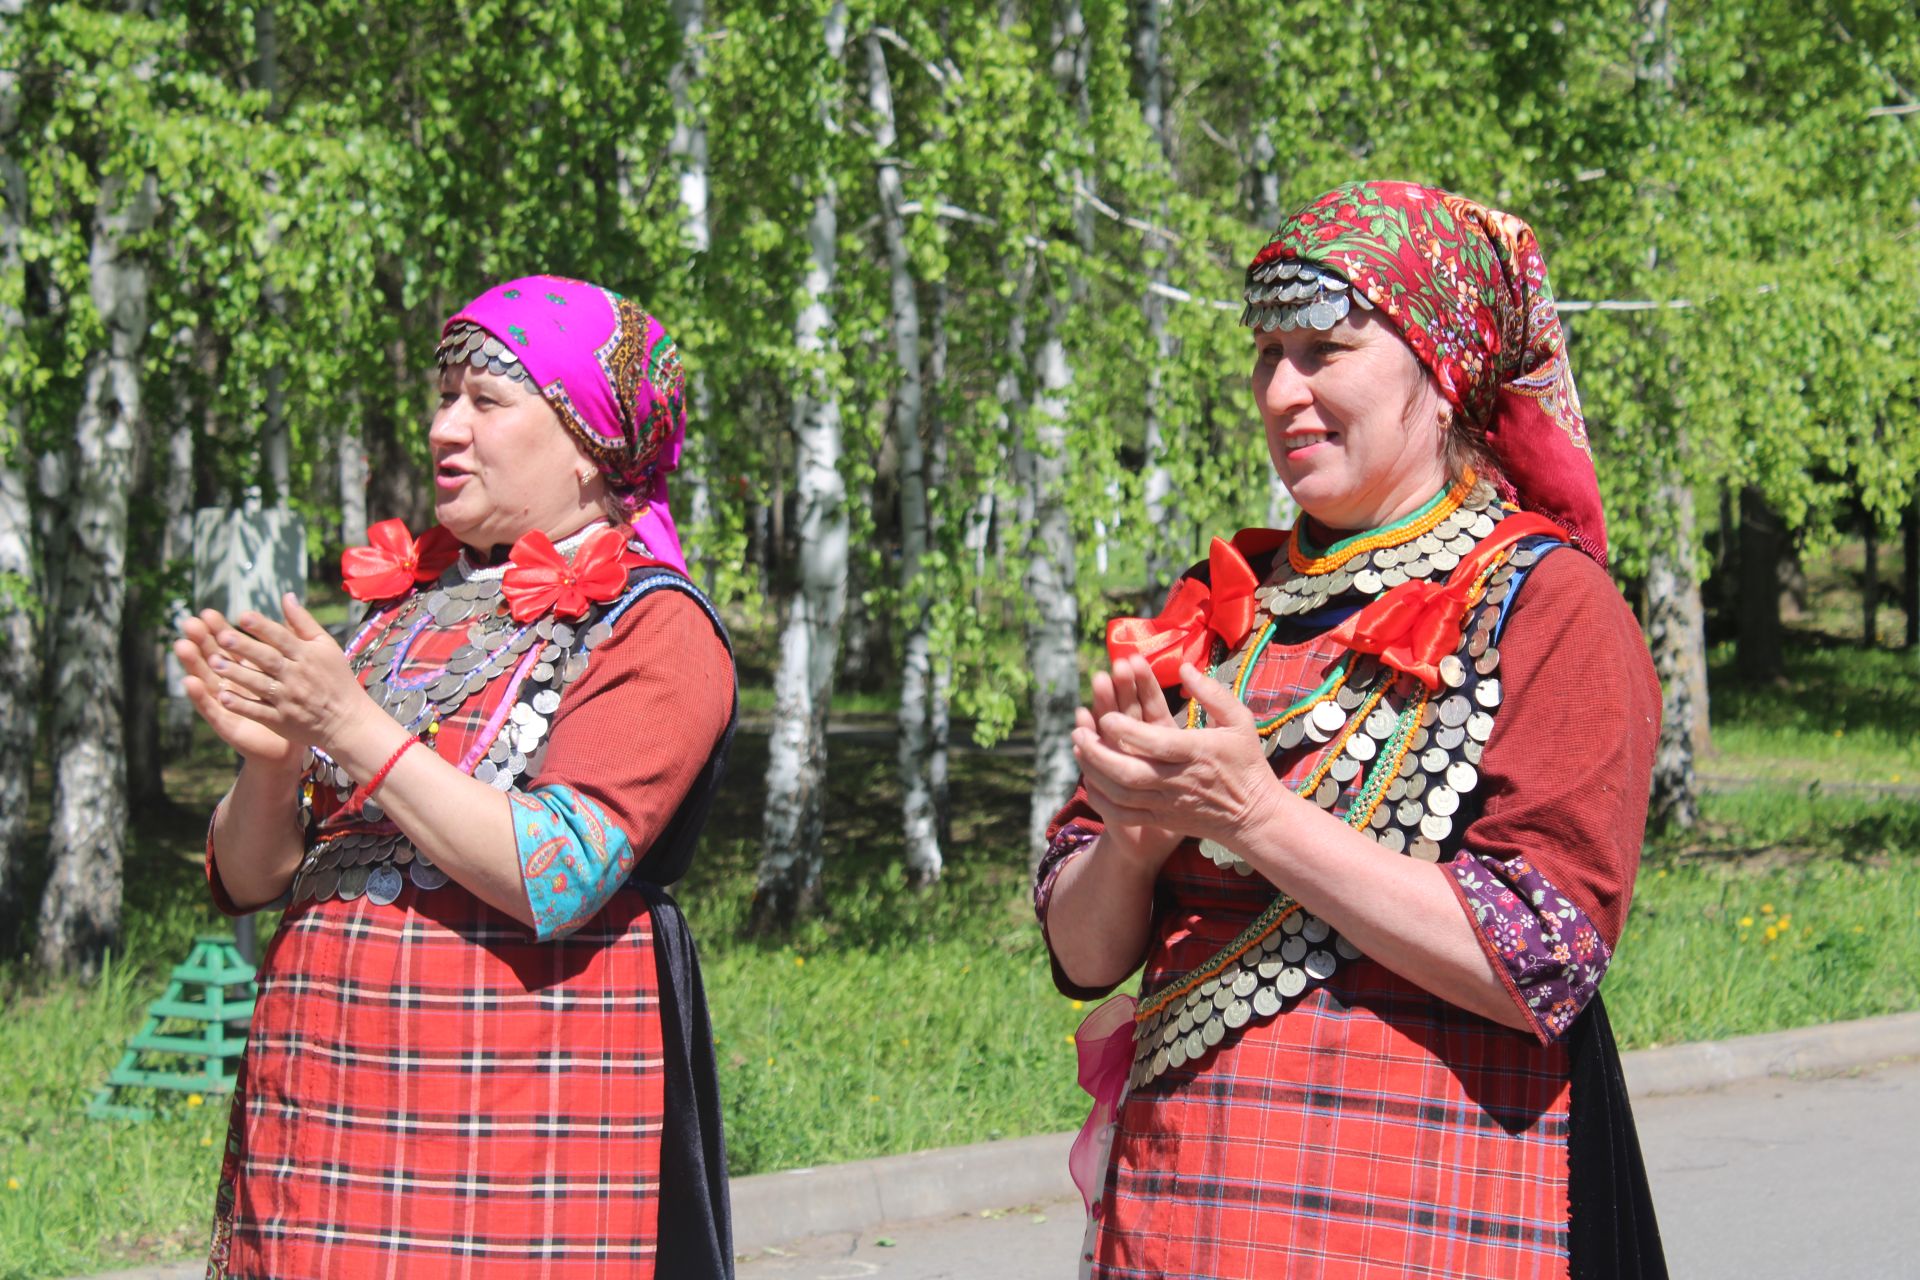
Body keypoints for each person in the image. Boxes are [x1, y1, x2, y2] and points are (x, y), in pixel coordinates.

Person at [1038, 181, 1667, 1279]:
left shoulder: (1550, 607)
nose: (1282, 390)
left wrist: (1256, 815)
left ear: (1439, 371)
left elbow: (1544, 960)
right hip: (1186, 1217)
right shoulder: (1214, 604)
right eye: (1267, 351)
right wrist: (1134, 837)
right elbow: (1082, 955)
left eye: (1326, 349)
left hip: (1426, 1207)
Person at [175, 276, 736, 1279]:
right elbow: (252, 876)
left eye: (486, 399)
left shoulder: (653, 622)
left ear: (592, 443)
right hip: (320, 1112)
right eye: (443, 395)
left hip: (503, 1120)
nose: (445, 426)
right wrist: (271, 756)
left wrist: (348, 723)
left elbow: (556, 867)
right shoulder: (404, 614)